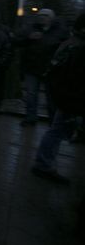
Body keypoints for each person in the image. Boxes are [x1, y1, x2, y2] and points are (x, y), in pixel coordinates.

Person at [32, 12, 85, 185]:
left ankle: (44, 163)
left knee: (57, 129)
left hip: (67, 96)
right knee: (57, 131)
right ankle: (44, 164)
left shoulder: (72, 43)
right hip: (70, 98)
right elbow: (72, 76)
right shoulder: (77, 46)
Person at [16, 8, 68, 125]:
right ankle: (30, 117)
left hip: (51, 69)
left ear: (51, 18)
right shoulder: (31, 28)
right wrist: (28, 38)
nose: (42, 18)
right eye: (40, 15)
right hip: (32, 67)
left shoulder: (60, 31)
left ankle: (52, 120)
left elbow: (67, 47)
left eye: (45, 16)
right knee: (31, 94)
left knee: (51, 97)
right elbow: (16, 41)